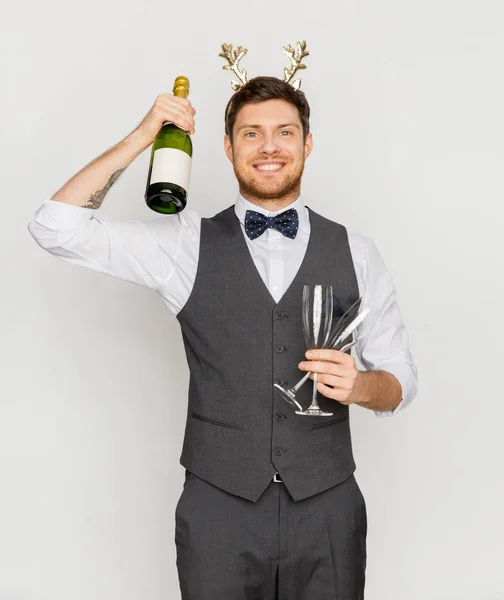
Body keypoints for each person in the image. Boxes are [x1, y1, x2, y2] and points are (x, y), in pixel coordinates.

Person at [28, 75, 418, 599]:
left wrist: (361, 386)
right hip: (219, 508)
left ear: (307, 143)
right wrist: (144, 135)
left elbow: (401, 382)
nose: (269, 147)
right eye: (251, 133)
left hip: (329, 506)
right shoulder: (185, 246)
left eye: (284, 132)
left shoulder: (357, 251)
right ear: (229, 147)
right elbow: (55, 227)